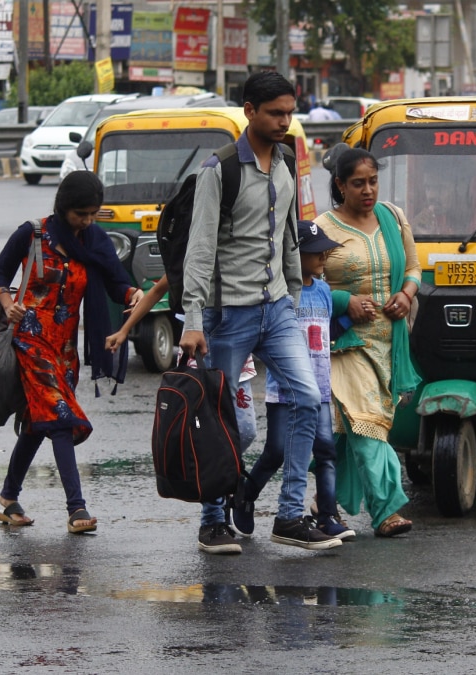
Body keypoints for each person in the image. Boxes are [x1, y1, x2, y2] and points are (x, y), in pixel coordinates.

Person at [179, 70, 339, 553]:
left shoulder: (288, 158)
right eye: (275, 113)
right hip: (227, 314)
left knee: (308, 398)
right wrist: (192, 318)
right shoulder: (218, 170)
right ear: (249, 111)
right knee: (221, 417)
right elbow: (200, 248)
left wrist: (292, 293)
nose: (284, 121)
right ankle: (213, 521)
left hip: (277, 308)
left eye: (290, 112)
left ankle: (289, 515)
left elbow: (289, 236)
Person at [0, 171, 145, 534]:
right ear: (63, 208)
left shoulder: (95, 240)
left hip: (65, 348)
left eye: (92, 214)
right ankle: (77, 508)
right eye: (80, 214)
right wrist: (6, 301)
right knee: (60, 419)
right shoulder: (33, 233)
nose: (86, 221)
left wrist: (132, 295)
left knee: (36, 423)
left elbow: (116, 280)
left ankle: (8, 497)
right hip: (30, 339)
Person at [317, 146, 420, 538]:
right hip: (345, 340)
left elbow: (413, 267)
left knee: (347, 428)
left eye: (373, 181)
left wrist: (407, 294)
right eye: (358, 183)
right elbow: (304, 282)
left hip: (390, 340)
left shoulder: (393, 218)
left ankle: (325, 500)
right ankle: (387, 509)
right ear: (340, 185)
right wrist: (344, 300)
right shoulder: (323, 228)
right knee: (365, 423)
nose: (367, 190)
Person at [230, 221, 355, 542]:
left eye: (324, 250)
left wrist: (349, 317)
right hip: (284, 391)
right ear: (292, 254)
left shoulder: (325, 291)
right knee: (276, 451)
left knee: (326, 450)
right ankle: (246, 494)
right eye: (314, 252)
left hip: (321, 391)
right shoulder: (280, 293)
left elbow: (327, 336)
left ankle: (327, 516)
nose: (323, 256)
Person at [104, 276, 260, 455]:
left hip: (238, 350)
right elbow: (156, 290)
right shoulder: (193, 257)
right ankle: (208, 475)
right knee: (204, 430)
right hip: (200, 354)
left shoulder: (243, 258)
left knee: (246, 430)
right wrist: (124, 330)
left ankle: (222, 471)